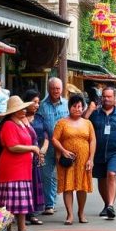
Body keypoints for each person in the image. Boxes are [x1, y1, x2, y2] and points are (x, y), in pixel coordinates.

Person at [0, 96, 39, 231]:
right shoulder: (8, 125)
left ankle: (22, 228)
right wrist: (32, 148)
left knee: (22, 199)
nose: (24, 110)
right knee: (10, 201)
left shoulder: (21, 124)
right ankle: (8, 229)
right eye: (21, 108)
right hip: (12, 167)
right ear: (14, 111)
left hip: (23, 167)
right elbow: (12, 147)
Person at [51, 94, 96, 225]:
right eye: (74, 106)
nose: (77, 109)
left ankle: (81, 213)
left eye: (79, 106)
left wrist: (91, 159)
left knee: (82, 187)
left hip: (84, 159)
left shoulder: (88, 123)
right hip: (67, 159)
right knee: (68, 186)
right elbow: (54, 139)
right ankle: (69, 215)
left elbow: (92, 140)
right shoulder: (62, 123)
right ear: (69, 107)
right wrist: (63, 151)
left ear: (83, 108)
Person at [89, 86, 116, 220]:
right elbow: (84, 125)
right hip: (98, 152)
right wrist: (89, 110)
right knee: (101, 179)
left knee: (111, 174)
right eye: (104, 96)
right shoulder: (95, 114)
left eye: (109, 97)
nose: (106, 99)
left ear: (115, 99)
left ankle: (111, 205)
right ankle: (106, 204)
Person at [37, 78, 69, 215]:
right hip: (48, 144)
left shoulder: (68, 104)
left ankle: (59, 202)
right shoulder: (42, 106)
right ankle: (49, 204)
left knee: (63, 174)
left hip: (64, 145)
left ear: (61, 89)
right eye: (53, 88)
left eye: (58, 88)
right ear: (48, 89)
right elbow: (39, 125)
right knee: (47, 174)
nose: (56, 91)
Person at [22, 88, 47, 227]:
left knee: (34, 184)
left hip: (36, 156)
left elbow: (47, 136)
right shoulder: (20, 118)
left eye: (38, 102)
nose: (37, 105)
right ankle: (22, 213)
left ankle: (31, 214)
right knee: (24, 185)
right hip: (24, 156)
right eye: (34, 102)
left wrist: (41, 151)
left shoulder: (40, 118)